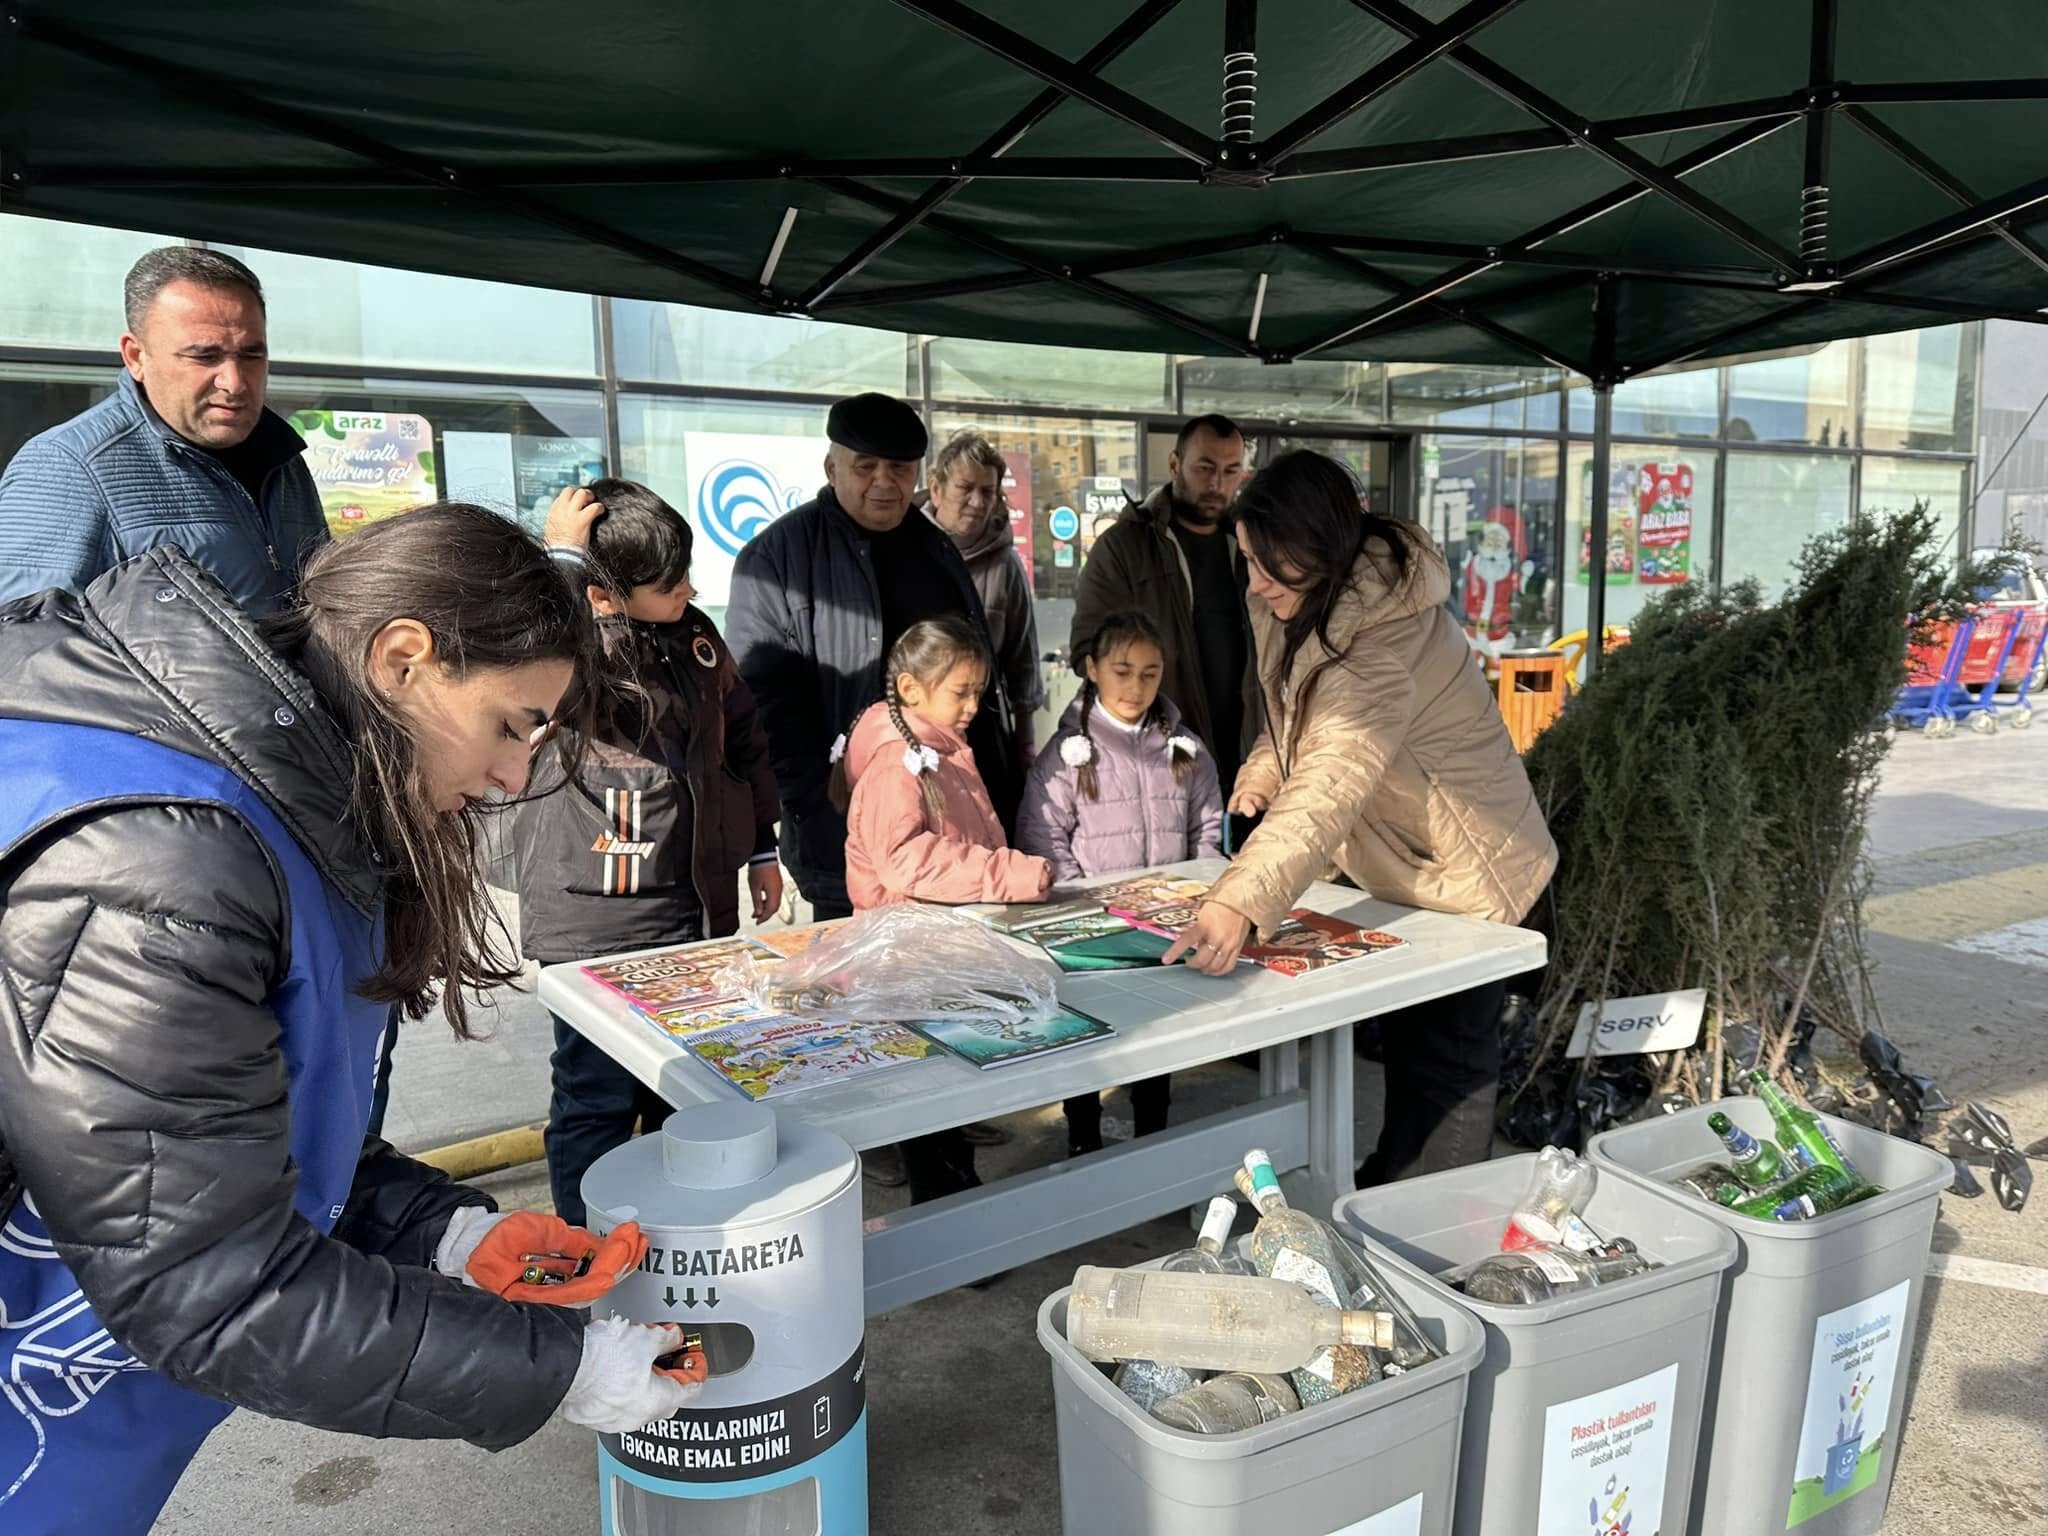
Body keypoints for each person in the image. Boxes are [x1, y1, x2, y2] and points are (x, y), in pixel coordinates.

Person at [0, 506, 703, 1533]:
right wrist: (563, 1367)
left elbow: (217, 1142)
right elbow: (205, 1284)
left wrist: (449, 1234)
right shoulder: (166, 866)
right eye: (510, 724)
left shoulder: (289, 803)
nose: (514, 779)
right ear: (402, 660)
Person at [1162, 450, 1557, 1185]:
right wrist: (1257, 776)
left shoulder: (1381, 637)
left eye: (1266, 565)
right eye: (1246, 560)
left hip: (1467, 871)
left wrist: (1240, 899)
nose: (1253, 581)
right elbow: (1297, 723)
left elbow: (1333, 771)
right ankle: (1391, 1192)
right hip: (1405, 862)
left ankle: (1438, 1232)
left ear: (1315, 547)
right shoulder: (1315, 593)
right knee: (1413, 1048)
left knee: (1447, 1067)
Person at [509, 479, 782, 1227]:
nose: (691, 590)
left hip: (693, 907)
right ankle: (585, 1256)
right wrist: (561, 558)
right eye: (670, 583)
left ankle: (669, 1242)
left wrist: (762, 846)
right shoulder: (576, 648)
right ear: (604, 595)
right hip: (599, 920)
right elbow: (527, 656)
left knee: (685, 1092)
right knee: (596, 1098)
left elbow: (745, 742)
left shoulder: (697, 638)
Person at [727, 392, 1022, 922]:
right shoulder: (776, 558)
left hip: (954, 836)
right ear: (831, 466)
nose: (884, 482)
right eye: (865, 466)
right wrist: (818, 810)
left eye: (900, 467)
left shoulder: (938, 549)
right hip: (846, 832)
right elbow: (766, 708)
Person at [835, 617, 1052, 1200]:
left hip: (938, 957)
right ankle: (952, 1233)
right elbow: (905, 862)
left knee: (946, 1105)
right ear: (911, 689)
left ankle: (960, 1214)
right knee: (929, 1119)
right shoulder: (896, 764)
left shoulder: (939, 750)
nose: (973, 705)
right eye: (961, 691)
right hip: (909, 964)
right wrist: (1013, 874)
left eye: (979, 691)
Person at [0, 245, 326, 613]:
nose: (234, 382)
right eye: (204, 356)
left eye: (252, 354)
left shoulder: (282, 458)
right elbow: (23, 652)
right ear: (136, 357)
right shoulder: (66, 468)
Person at [1015, 609, 1223, 1155]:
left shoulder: (1185, 750)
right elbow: (1044, 838)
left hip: (1166, 925)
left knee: (1160, 1034)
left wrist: (1195, 890)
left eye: (1150, 673)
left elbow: (1206, 826)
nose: (1136, 686)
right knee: (1090, 1038)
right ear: (1092, 668)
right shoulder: (1064, 756)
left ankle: (1153, 1137)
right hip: (1095, 931)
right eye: (1122, 671)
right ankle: (1083, 1137)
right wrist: (1089, 908)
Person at [1069, 413, 1259, 801]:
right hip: (1161, 761)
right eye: (1205, 468)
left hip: (1250, 757)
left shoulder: (1254, 548)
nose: (1217, 483)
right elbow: (1087, 652)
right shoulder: (1123, 548)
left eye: (1231, 470)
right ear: (1174, 465)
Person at [924, 429, 1044, 761]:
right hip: (913, 734)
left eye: (987, 491)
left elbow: (1023, 660)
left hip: (982, 733)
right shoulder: (906, 552)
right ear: (936, 489)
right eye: (965, 488)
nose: (977, 502)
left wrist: (1025, 743)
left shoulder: (1006, 566)